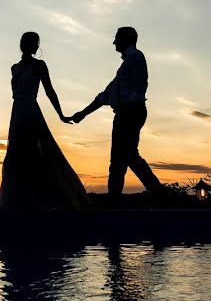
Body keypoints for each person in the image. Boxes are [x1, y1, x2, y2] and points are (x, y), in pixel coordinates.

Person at [0, 32, 90, 209]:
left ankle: (45, 197)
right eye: (29, 42)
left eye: (34, 43)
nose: (32, 46)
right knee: (16, 155)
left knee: (37, 153)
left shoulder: (39, 65)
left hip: (31, 112)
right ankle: (17, 199)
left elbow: (49, 91)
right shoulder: (13, 68)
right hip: (16, 113)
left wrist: (61, 115)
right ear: (22, 44)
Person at [69, 27, 163, 199]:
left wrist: (130, 108)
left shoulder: (135, 58)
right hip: (127, 113)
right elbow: (106, 94)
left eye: (116, 39)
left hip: (129, 113)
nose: (114, 43)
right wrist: (83, 113)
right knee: (122, 158)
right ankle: (118, 197)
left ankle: (158, 194)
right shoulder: (126, 65)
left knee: (127, 156)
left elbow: (139, 86)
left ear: (126, 39)